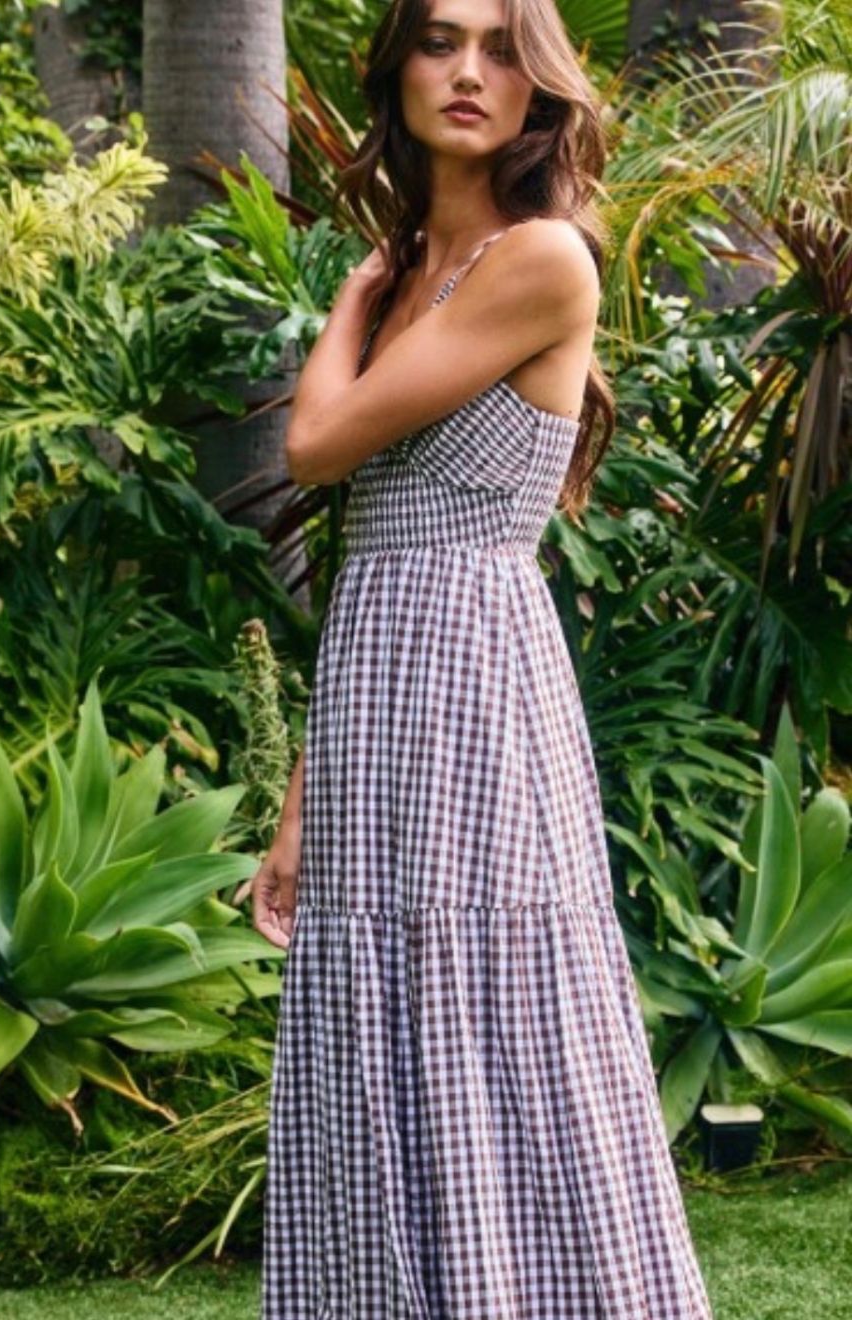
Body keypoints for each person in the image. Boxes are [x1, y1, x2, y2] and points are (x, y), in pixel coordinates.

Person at [248, 1, 715, 1315]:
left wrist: (350, 300)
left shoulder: (539, 259)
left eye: (502, 50)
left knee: (495, 1007)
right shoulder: (422, 271)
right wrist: (304, 801)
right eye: (440, 41)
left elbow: (314, 449)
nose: (468, 73)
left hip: (476, 682)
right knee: (378, 1006)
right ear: (396, 67)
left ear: (541, 88)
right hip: (379, 676)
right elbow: (372, 551)